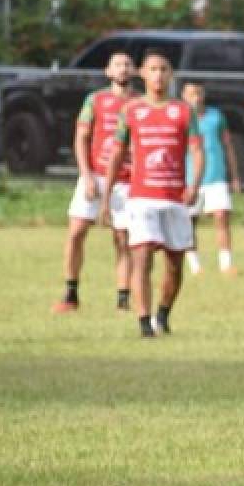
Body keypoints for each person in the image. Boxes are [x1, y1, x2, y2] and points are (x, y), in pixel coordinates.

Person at [101, 49, 203, 338]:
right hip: (142, 198)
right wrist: (106, 197)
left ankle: (163, 313)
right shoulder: (131, 111)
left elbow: (197, 150)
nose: (158, 75)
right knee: (142, 256)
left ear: (170, 75)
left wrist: (194, 185)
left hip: (175, 199)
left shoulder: (183, 111)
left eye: (164, 69)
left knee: (174, 265)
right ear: (142, 74)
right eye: (153, 69)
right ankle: (144, 323)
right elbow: (117, 154)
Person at [52, 50, 136, 313]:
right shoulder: (95, 100)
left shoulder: (140, 103)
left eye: (127, 64)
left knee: (123, 239)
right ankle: (71, 294)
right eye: (117, 64)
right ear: (108, 72)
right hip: (96, 176)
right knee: (76, 233)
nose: (122, 68)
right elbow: (81, 138)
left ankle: (123, 300)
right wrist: (86, 175)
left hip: (125, 181)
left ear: (133, 71)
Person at [180, 82, 242, 277]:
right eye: (191, 94)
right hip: (190, 179)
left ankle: (226, 264)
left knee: (222, 217)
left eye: (198, 93)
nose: (195, 97)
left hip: (216, 176)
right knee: (189, 223)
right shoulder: (180, 119)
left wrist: (234, 176)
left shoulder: (216, 116)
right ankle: (195, 266)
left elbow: (227, 145)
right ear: (183, 96)